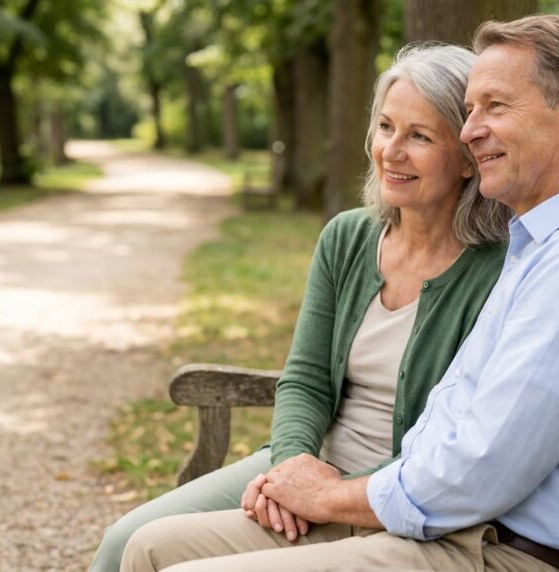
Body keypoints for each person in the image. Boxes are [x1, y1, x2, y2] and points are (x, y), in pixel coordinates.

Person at [120, 14, 559, 572]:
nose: (470, 131)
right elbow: (401, 413)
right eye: (469, 111)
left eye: (495, 106)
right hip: (446, 526)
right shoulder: (546, 245)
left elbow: (478, 472)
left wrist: (327, 496)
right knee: (149, 548)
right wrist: (300, 471)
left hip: (498, 548)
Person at [88, 43, 510, 572]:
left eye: (419, 136)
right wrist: (292, 469)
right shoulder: (347, 238)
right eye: (385, 127)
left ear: (468, 159)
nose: (392, 151)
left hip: (390, 496)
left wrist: (328, 494)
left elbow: (459, 444)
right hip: (308, 463)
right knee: (123, 541)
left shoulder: (498, 270)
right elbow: (306, 379)